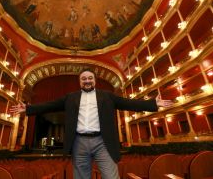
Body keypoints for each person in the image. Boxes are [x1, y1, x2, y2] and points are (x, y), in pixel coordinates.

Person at [10, 68, 173, 179]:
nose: (87, 81)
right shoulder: (70, 97)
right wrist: (28, 108)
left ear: (94, 80)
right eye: (83, 79)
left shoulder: (107, 96)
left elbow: (129, 103)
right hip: (79, 142)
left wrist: (152, 104)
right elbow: (49, 105)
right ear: (79, 81)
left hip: (103, 142)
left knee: (111, 176)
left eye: (90, 78)